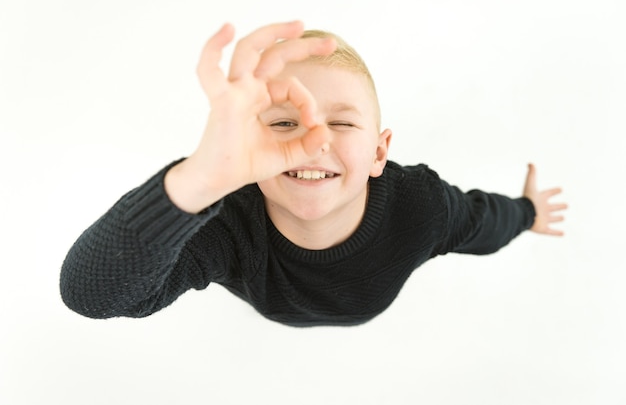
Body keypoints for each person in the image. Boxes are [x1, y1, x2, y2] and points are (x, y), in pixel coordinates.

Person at [60, 21, 567, 327]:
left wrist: (526, 213)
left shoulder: (421, 204)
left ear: (378, 152)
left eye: (342, 122)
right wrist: (202, 178)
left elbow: (481, 222)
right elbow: (91, 296)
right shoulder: (229, 218)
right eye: (284, 122)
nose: (313, 140)